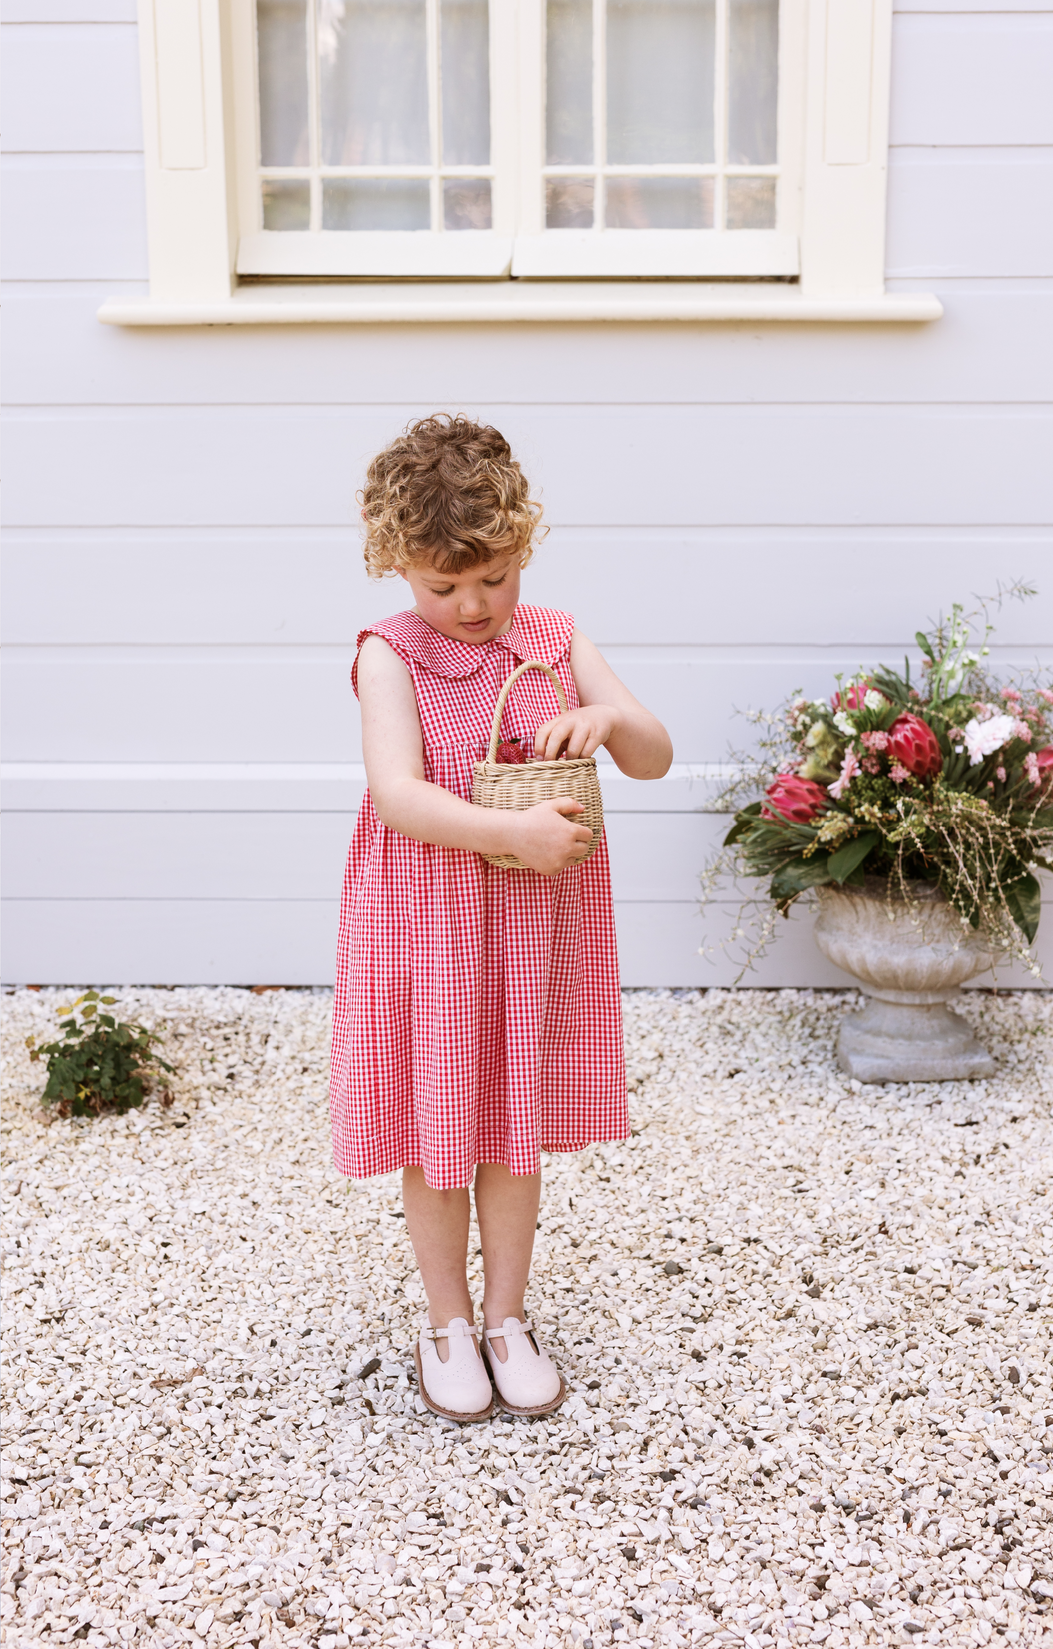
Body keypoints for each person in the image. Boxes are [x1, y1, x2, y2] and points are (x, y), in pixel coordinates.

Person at [329, 414, 672, 1423]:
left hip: (526, 930)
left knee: (509, 1120)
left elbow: (653, 754)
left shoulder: (557, 639)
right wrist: (507, 831)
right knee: (438, 1121)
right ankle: (446, 1318)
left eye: (493, 577)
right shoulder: (388, 654)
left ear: (523, 546)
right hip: (430, 920)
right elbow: (397, 792)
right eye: (443, 585)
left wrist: (606, 720)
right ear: (396, 565)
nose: (472, 605)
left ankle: (508, 1315)